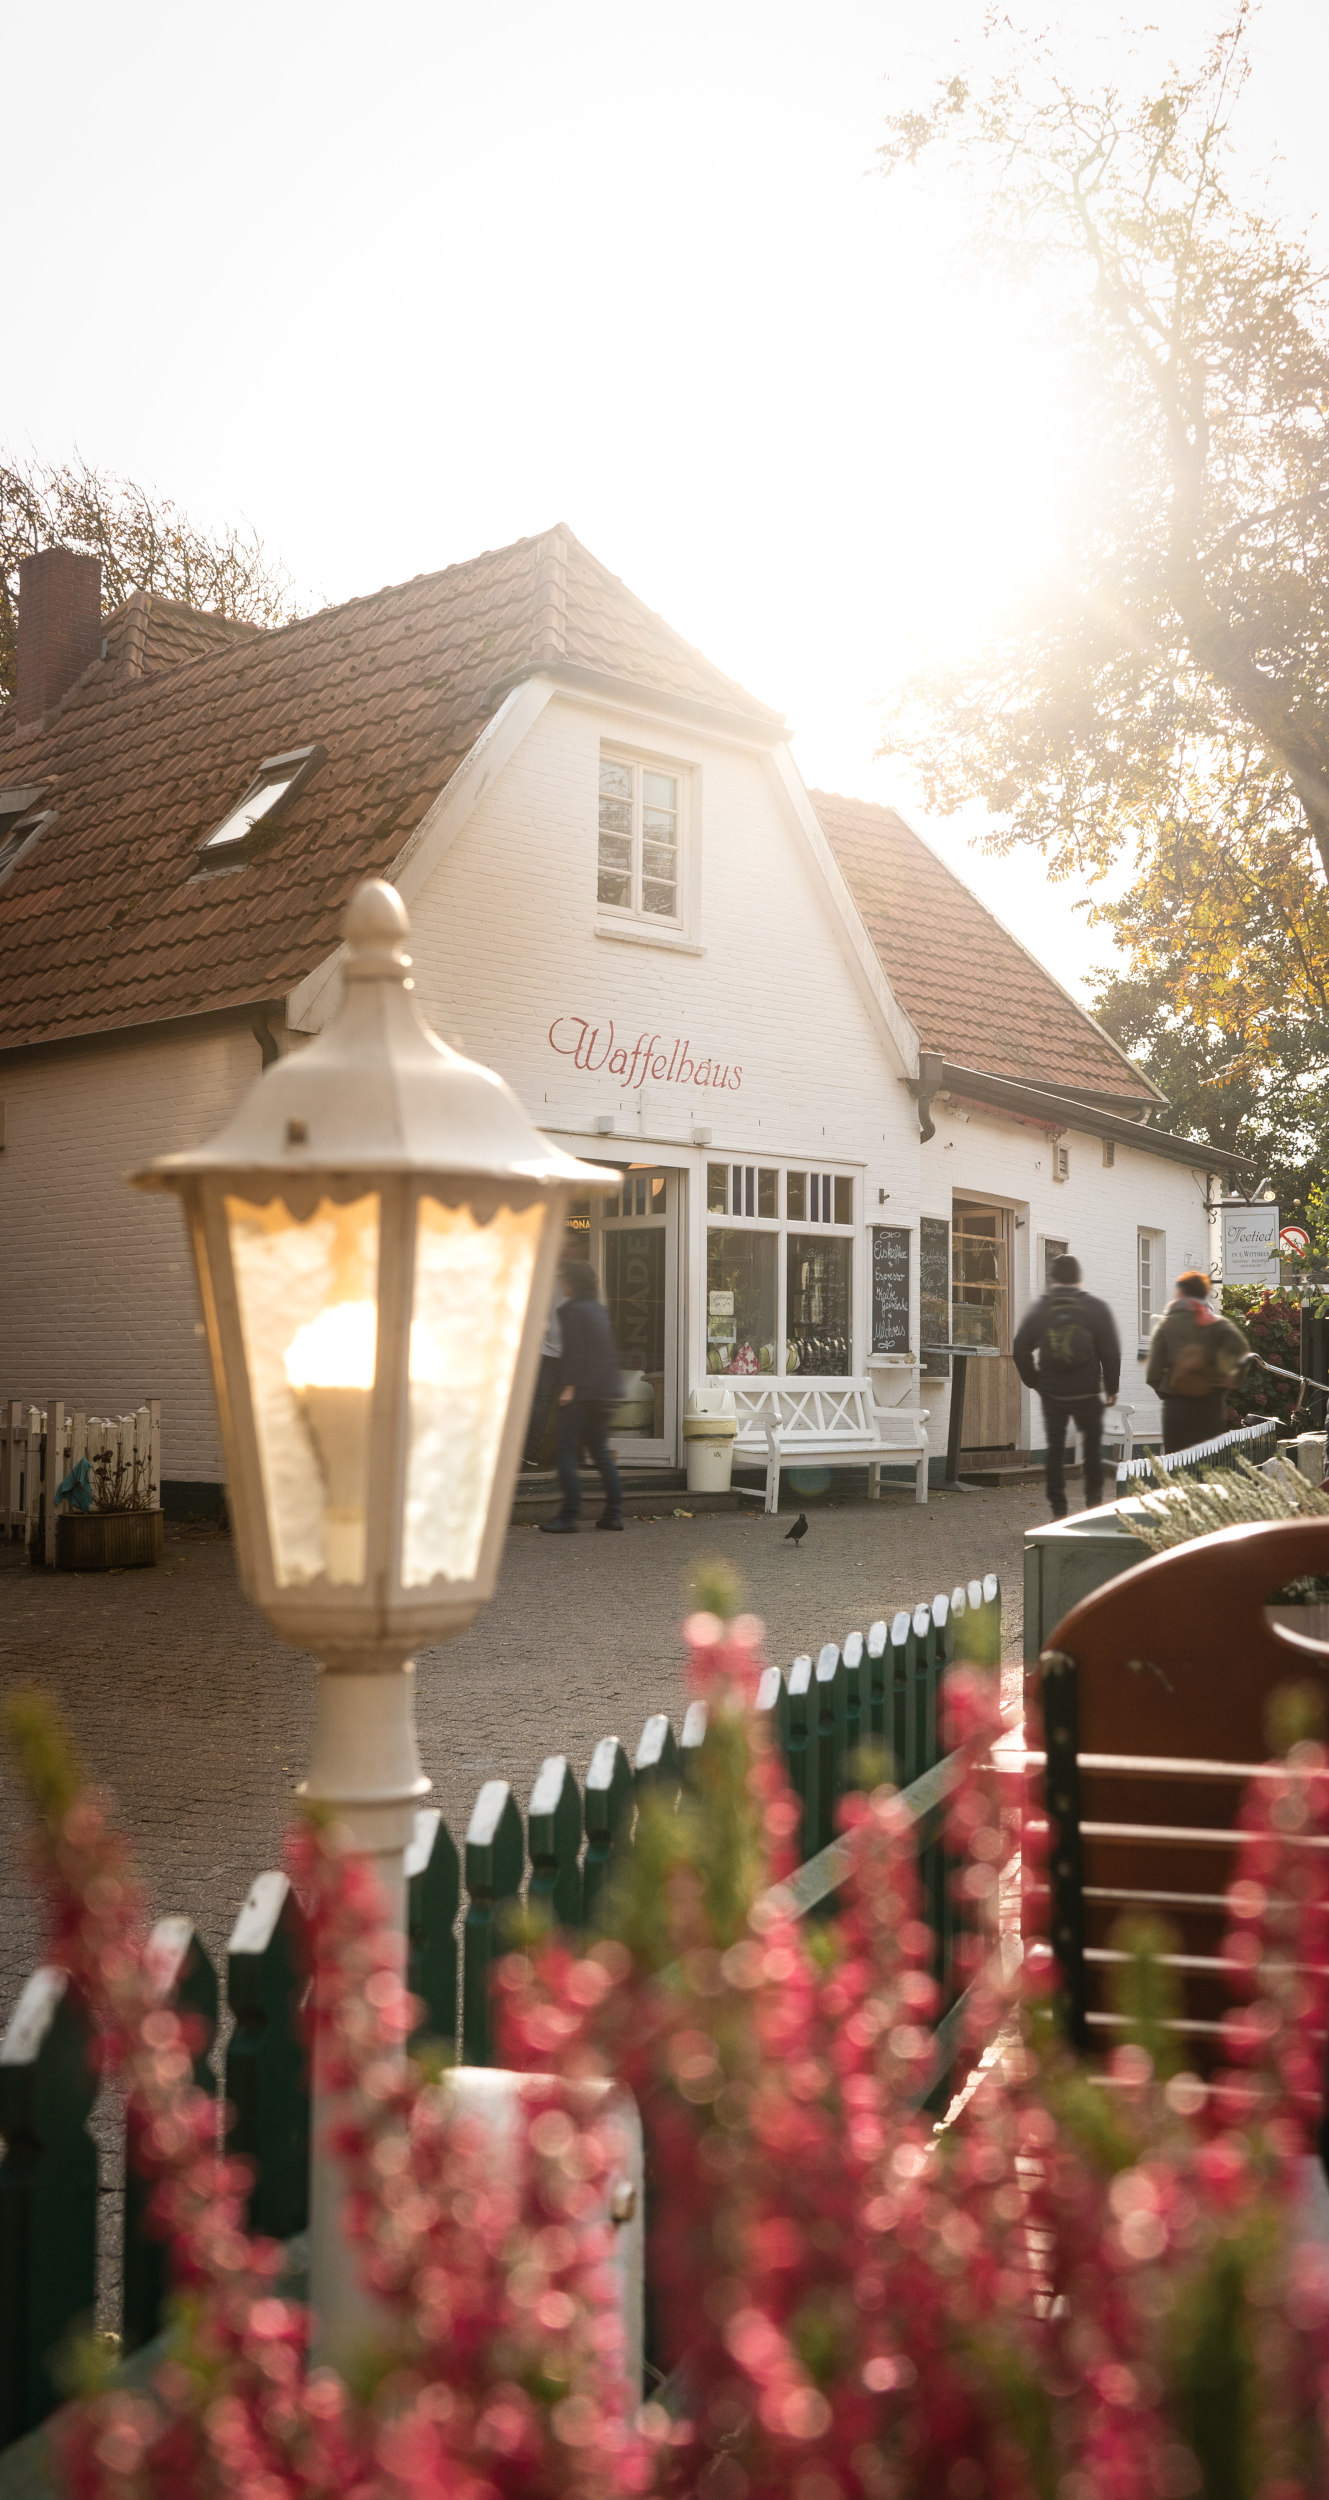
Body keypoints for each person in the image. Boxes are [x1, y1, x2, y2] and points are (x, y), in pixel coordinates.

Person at [1013, 1252, 1121, 1519]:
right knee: (1093, 1449)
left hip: (1053, 1392)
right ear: (1078, 1278)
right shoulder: (1095, 1307)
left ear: (1053, 1278)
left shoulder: (1042, 1308)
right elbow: (1110, 1351)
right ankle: (1094, 1508)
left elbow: (1020, 1348)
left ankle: (1059, 1513)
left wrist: (1034, 1381)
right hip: (1087, 1390)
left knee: (1055, 1449)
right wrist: (1111, 1387)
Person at [539, 1258, 625, 1533]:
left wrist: (569, 1388)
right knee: (600, 1452)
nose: (561, 1282)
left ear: (572, 1282)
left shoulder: (571, 1310)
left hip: (582, 1391)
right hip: (605, 1390)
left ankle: (568, 1515)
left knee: (566, 1451)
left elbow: (576, 1351)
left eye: (564, 1278)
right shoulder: (597, 1309)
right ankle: (613, 1515)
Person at [1146, 1270, 1251, 1453]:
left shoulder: (1167, 1325)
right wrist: (1230, 1382)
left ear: (1180, 1293)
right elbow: (1244, 1356)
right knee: (1206, 1462)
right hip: (1210, 1406)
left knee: (1177, 1463)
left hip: (1176, 1407)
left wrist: (1170, 1393)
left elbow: (1152, 1374)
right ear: (1205, 1294)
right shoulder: (1219, 1325)